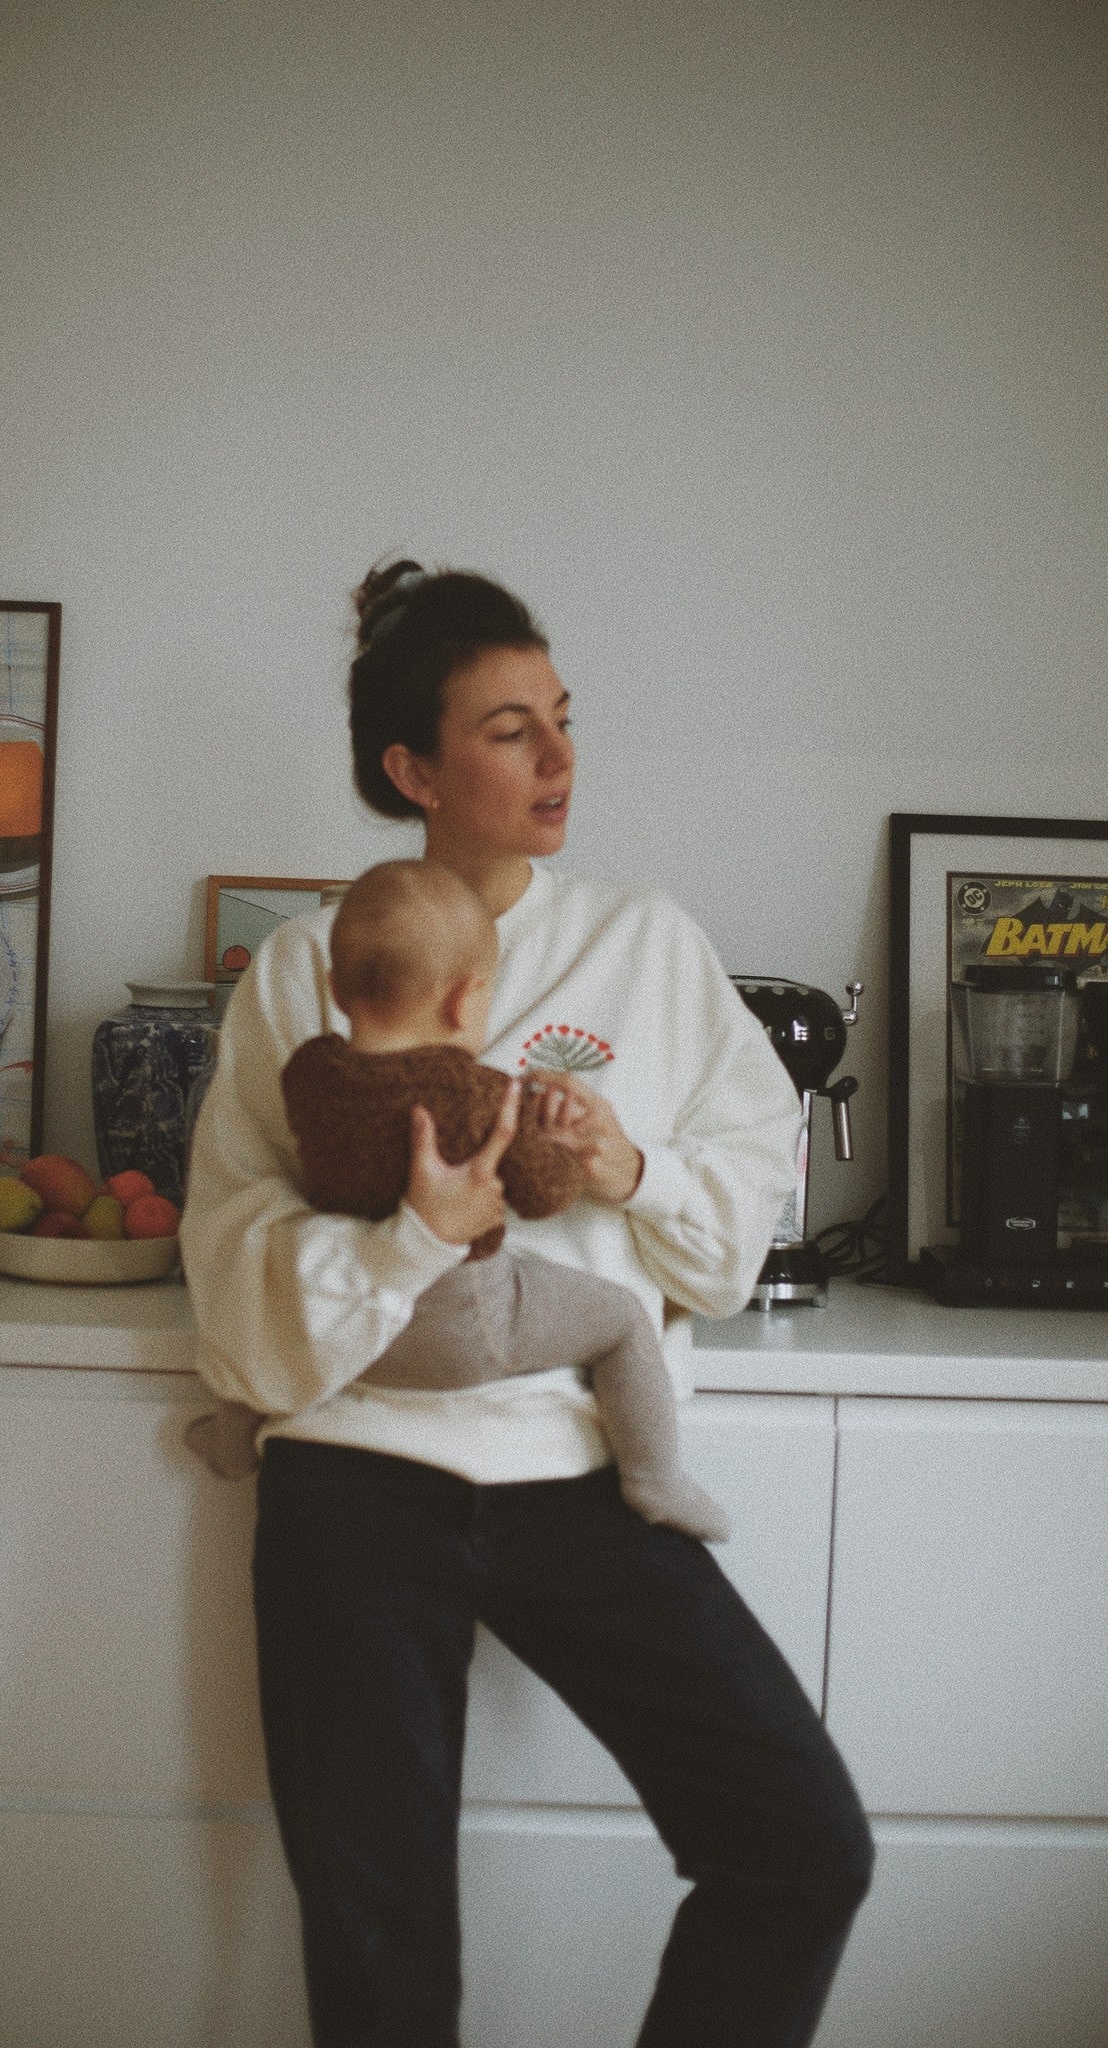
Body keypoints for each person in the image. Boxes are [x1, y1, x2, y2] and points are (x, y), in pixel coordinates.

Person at [180, 561, 874, 2048]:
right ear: (411, 768)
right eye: (510, 731)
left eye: (562, 720)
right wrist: (408, 1242)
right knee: (383, 1967)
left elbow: (727, 1244)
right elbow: (232, 1285)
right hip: (353, 1476)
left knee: (802, 1845)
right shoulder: (301, 973)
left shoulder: (651, 946)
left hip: (576, 1471)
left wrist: (627, 1163)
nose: (560, 761)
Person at [187, 855, 730, 1541]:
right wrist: (557, 1141)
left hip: (351, 1337)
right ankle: (655, 1478)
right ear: (465, 1002)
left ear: (334, 987)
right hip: (465, 1331)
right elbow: (541, 1197)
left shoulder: (309, 1073)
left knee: (258, 1322)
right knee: (621, 1319)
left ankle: (233, 1436)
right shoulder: (483, 1100)